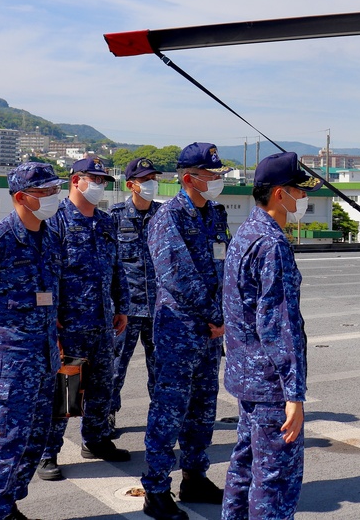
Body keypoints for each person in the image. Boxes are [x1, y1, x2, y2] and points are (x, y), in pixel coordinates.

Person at [0, 162, 65, 520]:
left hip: (44, 360)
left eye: (55, 189)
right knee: (1, 449)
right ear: (21, 197)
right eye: (46, 192)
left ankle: (7, 506)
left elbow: (53, 295)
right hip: (7, 367)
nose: (54, 197)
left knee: (32, 444)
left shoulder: (49, 236)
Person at [222, 151, 320, 520]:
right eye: (299, 190)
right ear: (281, 193)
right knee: (275, 481)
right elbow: (278, 325)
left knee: (245, 468)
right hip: (270, 384)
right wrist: (293, 394)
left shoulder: (247, 232)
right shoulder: (272, 244)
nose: (303, 198)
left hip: (246, 376)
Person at [141, 142, 229, 520]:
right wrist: (215, 314)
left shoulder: (214, 214)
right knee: (169, 410)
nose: (217, 181)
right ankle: (156, 489)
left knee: (202, 409)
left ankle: (195, 476)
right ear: (189, 178)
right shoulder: (168, 218)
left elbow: (223, 265)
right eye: (211, 175)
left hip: (210, 330)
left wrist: (223, 316)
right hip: (180, 329)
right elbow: (177, 275)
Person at [37, 156, 130, 481]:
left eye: (104, 181)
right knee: (65, 392)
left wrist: (122, 306)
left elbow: (117, 268)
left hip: (102, 322)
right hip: (69, 326)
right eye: (95, 179)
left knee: (102, 388)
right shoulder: (56, 220)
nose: (100, 186)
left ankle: (96, 439)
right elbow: (45, 274)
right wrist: (50, 318)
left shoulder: (106, 222)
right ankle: (48, 452)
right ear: (76, 180)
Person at [108, 157, 162, 433]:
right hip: (126, 310)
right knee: (115, 368)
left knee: (161, 370)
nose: (152, 184)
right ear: (131, 185)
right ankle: (107, 416)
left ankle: (161, 420)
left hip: (159, 309)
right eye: (145, 180)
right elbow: (108, 265)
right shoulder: (115, 217)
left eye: (154, 179)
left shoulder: (164, 216)